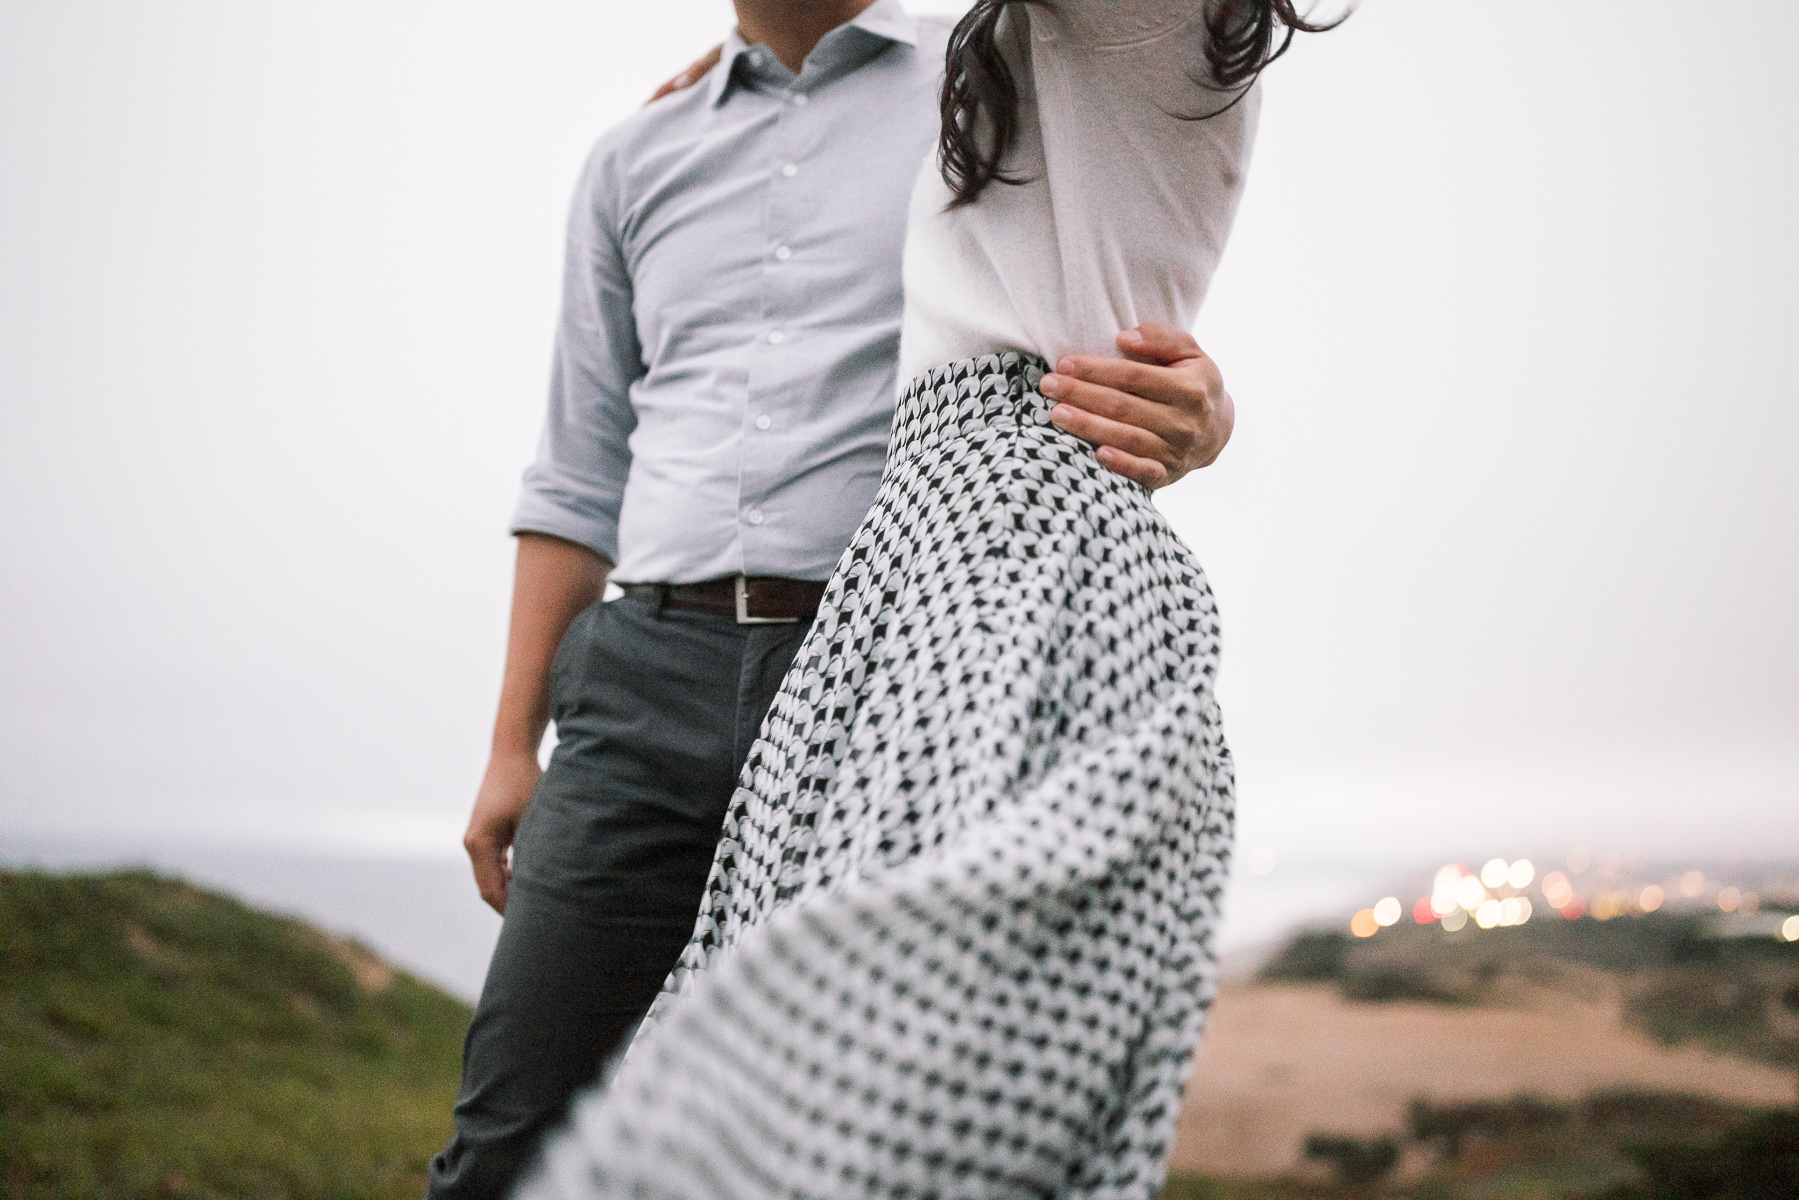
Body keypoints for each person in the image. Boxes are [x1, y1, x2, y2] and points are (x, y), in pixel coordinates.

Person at [426, 2, 1245, 1196]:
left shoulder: (989, 81)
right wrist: (511, 745)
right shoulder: (633, 156)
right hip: (637, 685)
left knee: (835, 1138)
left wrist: (1207, 411)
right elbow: (576, 470)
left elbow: (1105, 256)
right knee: (509, 1134)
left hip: (879, 677)